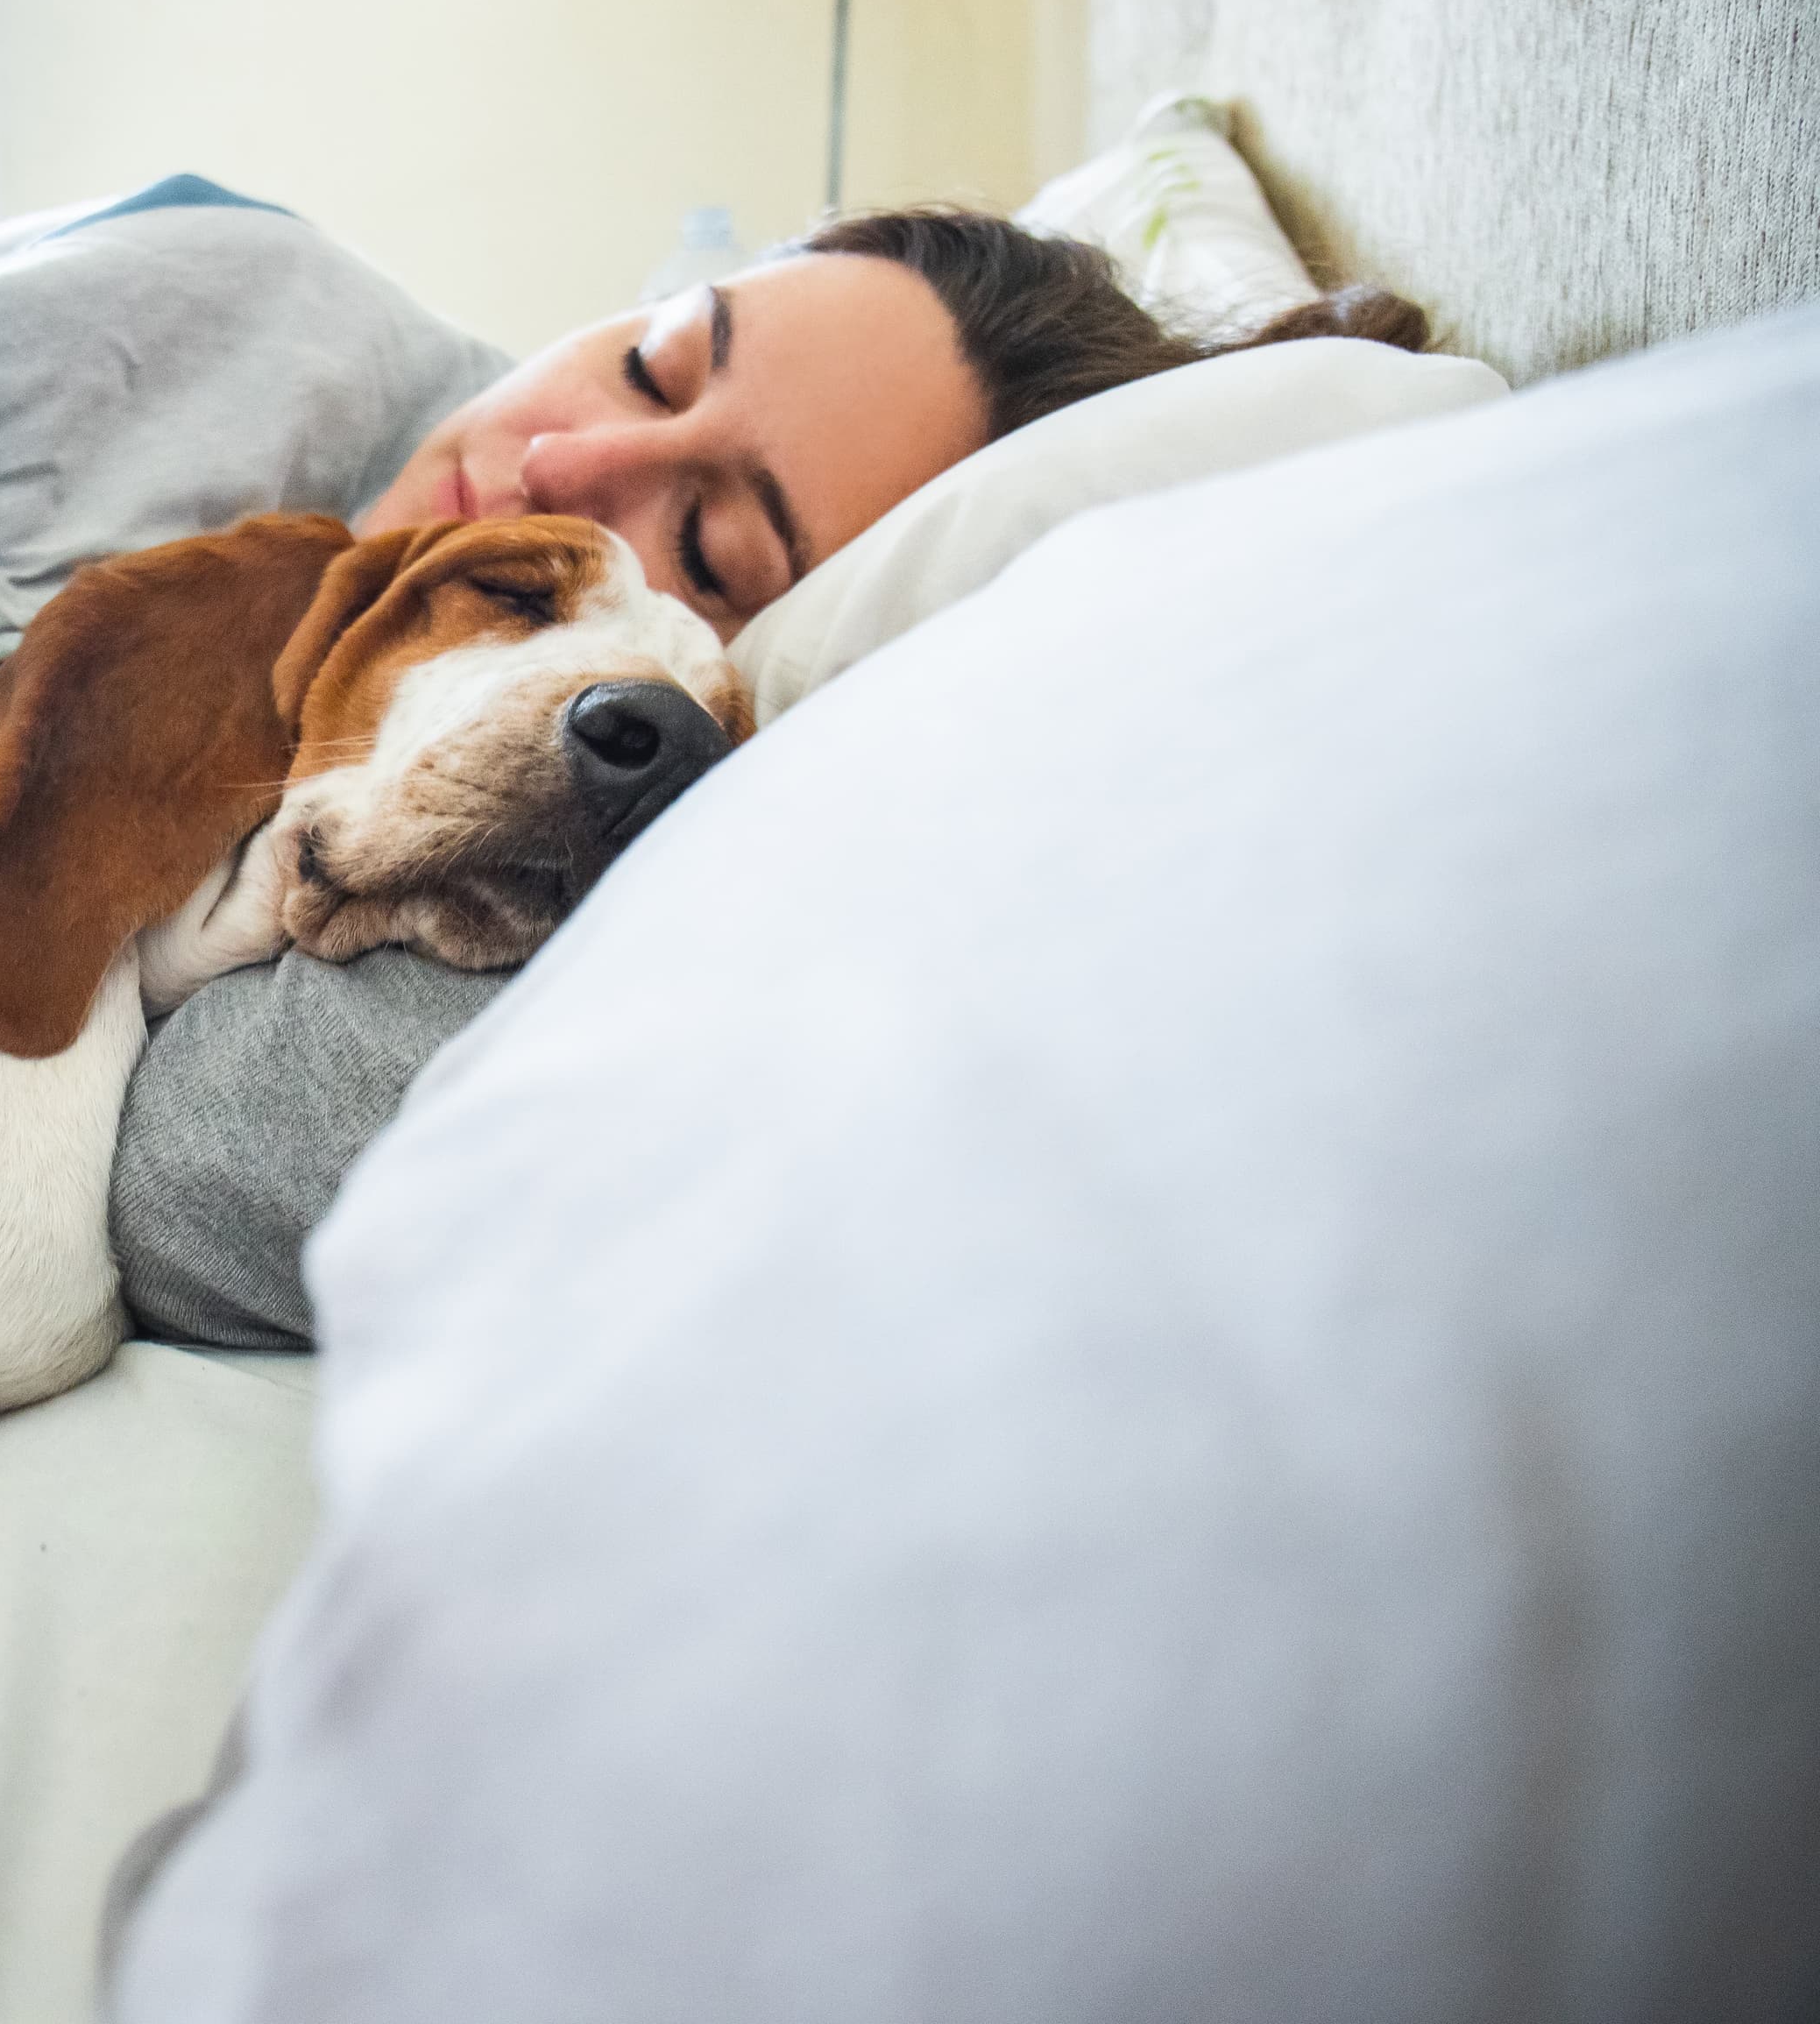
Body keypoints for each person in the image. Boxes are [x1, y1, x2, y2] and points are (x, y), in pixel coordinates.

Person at [110, 206, 1428, 1347]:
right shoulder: (238, 330)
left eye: (707, 547)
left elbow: (194, 1174)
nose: (560, 469)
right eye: (649, 363)